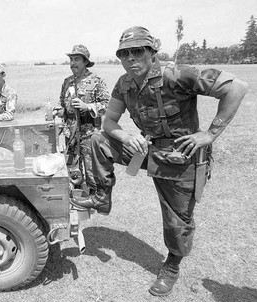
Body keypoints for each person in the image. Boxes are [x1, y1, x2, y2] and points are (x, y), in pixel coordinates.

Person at [71, 26, 248, 296]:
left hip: (180, 157)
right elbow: (109, 122)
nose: (131, 58)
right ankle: (101, 196)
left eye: (138, 51)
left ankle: (172, 266)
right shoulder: (124, 83)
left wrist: (209, 134)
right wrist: (126, 137)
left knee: (177, 220)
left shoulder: (176, 74)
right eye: (124, 54)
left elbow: (236, 88)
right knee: (98, 140)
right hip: (146, 149)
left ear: (152, 52)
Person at [58, 44, 110, 201]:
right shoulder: (67, 82)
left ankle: (96, 200)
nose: (73, 63)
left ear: (85, 61)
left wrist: (87, 107)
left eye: (77, 59)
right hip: (71, 133)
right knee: (73, 168)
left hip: (89, 134)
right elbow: (62, 105)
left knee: (91, 169)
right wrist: (58, 111)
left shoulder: (96, 81)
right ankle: (76, 198)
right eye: (71, 59)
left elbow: (107, 105)